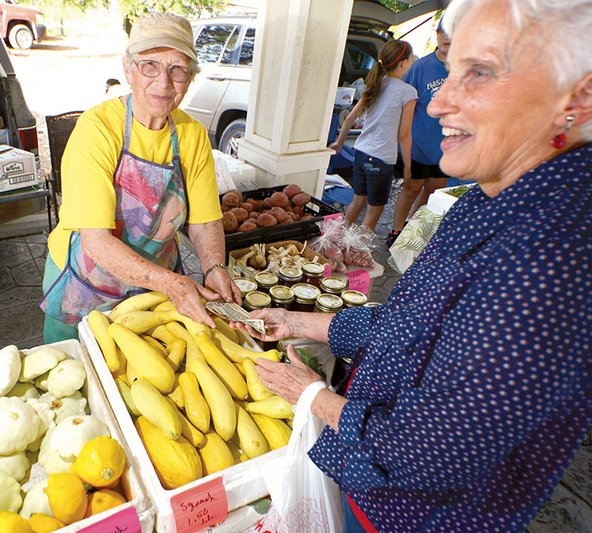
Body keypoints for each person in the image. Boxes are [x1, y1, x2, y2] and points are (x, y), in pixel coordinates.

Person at [234, 0, 592, 530]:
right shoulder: (490, 196)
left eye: (481, 72)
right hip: (370, 484)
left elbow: (428, 454)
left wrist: (309, 394)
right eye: (449, 70)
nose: (438, 102)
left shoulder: (552, 257)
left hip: (417, 515)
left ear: (578, 97)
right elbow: (411, 321)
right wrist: (299, 321)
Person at [41, 12, 240, 342]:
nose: (163, 83)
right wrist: (171, 283)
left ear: (190, 77)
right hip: (87, 284)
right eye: (150, 65)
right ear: (128, 69)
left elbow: (205, 221)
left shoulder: (192, 134)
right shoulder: (97, 129)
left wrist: (214, 268)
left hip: (157, 284)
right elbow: (96, 240)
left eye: (177, 69)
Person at [328, 40, 417, 232]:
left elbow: (351, 116)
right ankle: (357, 254)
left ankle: (336, 242)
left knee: (357, 202)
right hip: (381, 159)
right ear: (403, 63)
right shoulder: (408, 92)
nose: (411, 63)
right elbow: (404, 135)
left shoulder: (376, 83)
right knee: (373, 212)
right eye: (411, 59)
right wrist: (409, 168)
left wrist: (339, 142)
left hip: (361, 152)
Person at [386, 21, 451, 248]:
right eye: (444, 31)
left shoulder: (464, 68)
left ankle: (413, 233)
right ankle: (396, 231)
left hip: (446, 148)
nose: (448, 37)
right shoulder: (420, 67)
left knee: (433, 193)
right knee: (411, 188)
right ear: (437, 34)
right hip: (417, 146)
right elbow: (402, 106)